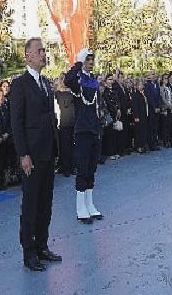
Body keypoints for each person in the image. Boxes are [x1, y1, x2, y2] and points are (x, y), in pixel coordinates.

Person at [10, 38, 61, 272]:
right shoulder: (20, 84)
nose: (43, 54)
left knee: (45, 203)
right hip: (31, 154)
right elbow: (17, 123)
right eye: (39, 51)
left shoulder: (46, 83)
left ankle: (42, 245)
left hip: (48, 152)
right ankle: (28, 252)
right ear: (28, 56)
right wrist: (23, 155)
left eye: (44, 50)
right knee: (30, 204)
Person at [64, 48, 104, 225]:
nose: (90, 62)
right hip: (82, 131)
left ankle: (90, 205)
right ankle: (81, 208)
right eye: (87, 60)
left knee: (92, 168)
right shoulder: (78, 81)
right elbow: (68, 80)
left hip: (94, 129)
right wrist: (78, 63)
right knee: (82, 169)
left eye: (91, 60)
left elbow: (97, 104)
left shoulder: (93, 81)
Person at [54, 76, 75, 177]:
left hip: (71, 122)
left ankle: (71, 166)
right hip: (62, 123)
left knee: (71, 146)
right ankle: (65, 167)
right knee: (64, 147)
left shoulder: (71, 93)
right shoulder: (57, 94)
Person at [102, 74, 121, 160]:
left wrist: (119, 109)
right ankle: (110, 153)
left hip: (116, 114)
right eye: (109, 79)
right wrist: (115, 110)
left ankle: (115, 151)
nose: (111, 81)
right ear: (106, 81)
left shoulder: (114, 90)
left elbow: (117, 100)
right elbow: (108, 103)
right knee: (109, 134)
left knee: (115, 133)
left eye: (112, 80)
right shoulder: (105, 91)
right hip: (109, 115)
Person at [144, 72, 161, 150]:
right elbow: (149, 97)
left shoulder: (157, 85)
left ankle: (155, 142)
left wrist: (158, 106)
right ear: (149, 76)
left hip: (157, 109)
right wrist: (154, 107)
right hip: (151, 110)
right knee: (151, 128)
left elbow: (158, 97)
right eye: (152, 74)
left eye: (154, 74)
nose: (154, 75)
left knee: (156, 127)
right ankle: (151, 145)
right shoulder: (147, 85)